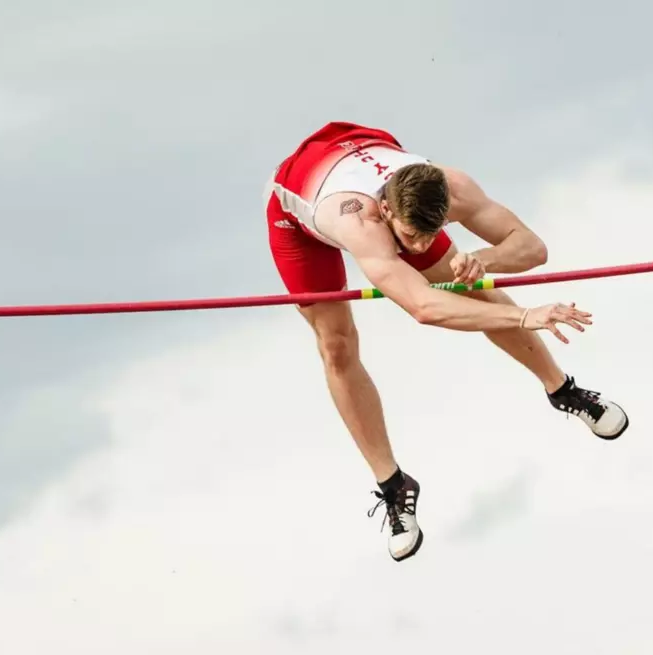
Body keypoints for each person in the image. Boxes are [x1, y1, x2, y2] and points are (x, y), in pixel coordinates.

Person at [263, 121, 629, 562]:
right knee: (337, 344)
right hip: (298, 211)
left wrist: (481, 258)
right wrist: (525, 315)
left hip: (363, 153)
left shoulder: (451, 186)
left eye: (428, 234)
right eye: (410, 236)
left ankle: (562, 389)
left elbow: (532, 248)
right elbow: (423, 307)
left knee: (473, 287)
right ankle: (394, 486)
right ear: (385, 211)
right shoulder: (359, 220)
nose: (417, 249)